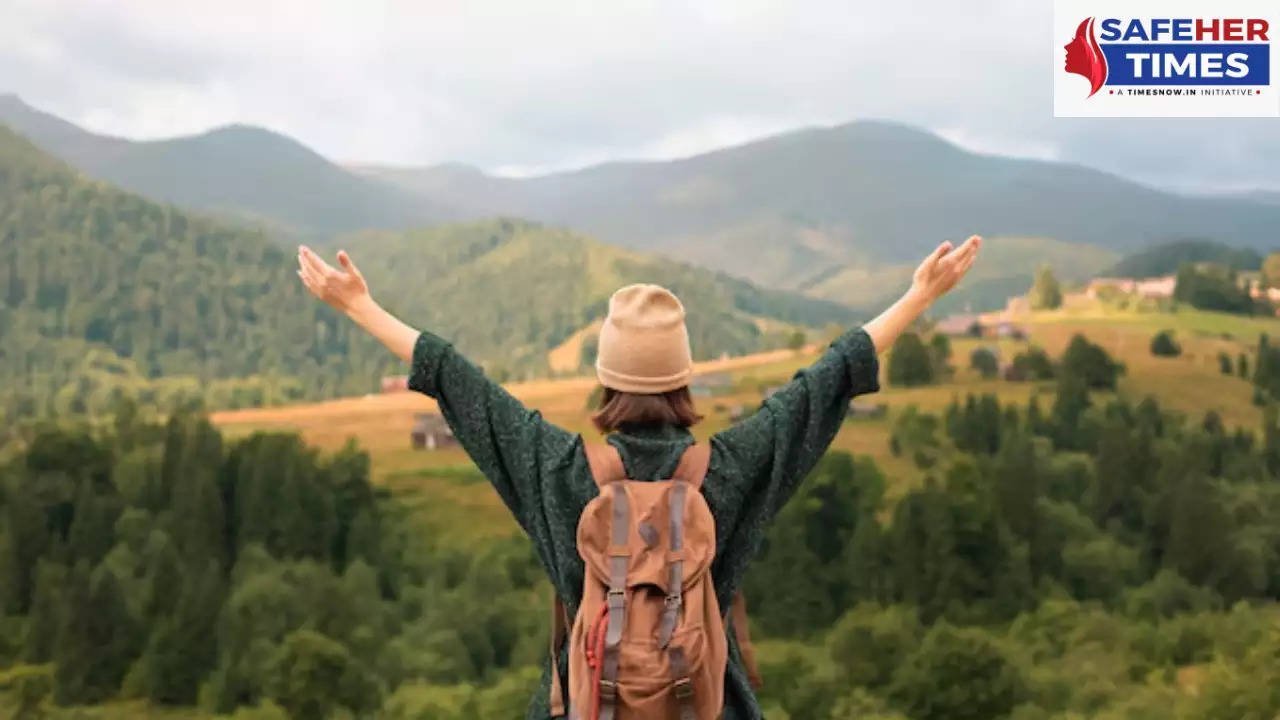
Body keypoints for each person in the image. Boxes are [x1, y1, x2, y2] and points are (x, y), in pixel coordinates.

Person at [296, 235, 981, 719]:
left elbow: (458, 382)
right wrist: (919, 297)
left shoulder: (557, 468)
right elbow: (825, 381)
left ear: (605, 378)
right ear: (683, 376)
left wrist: (359, 306)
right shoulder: (733, 466)